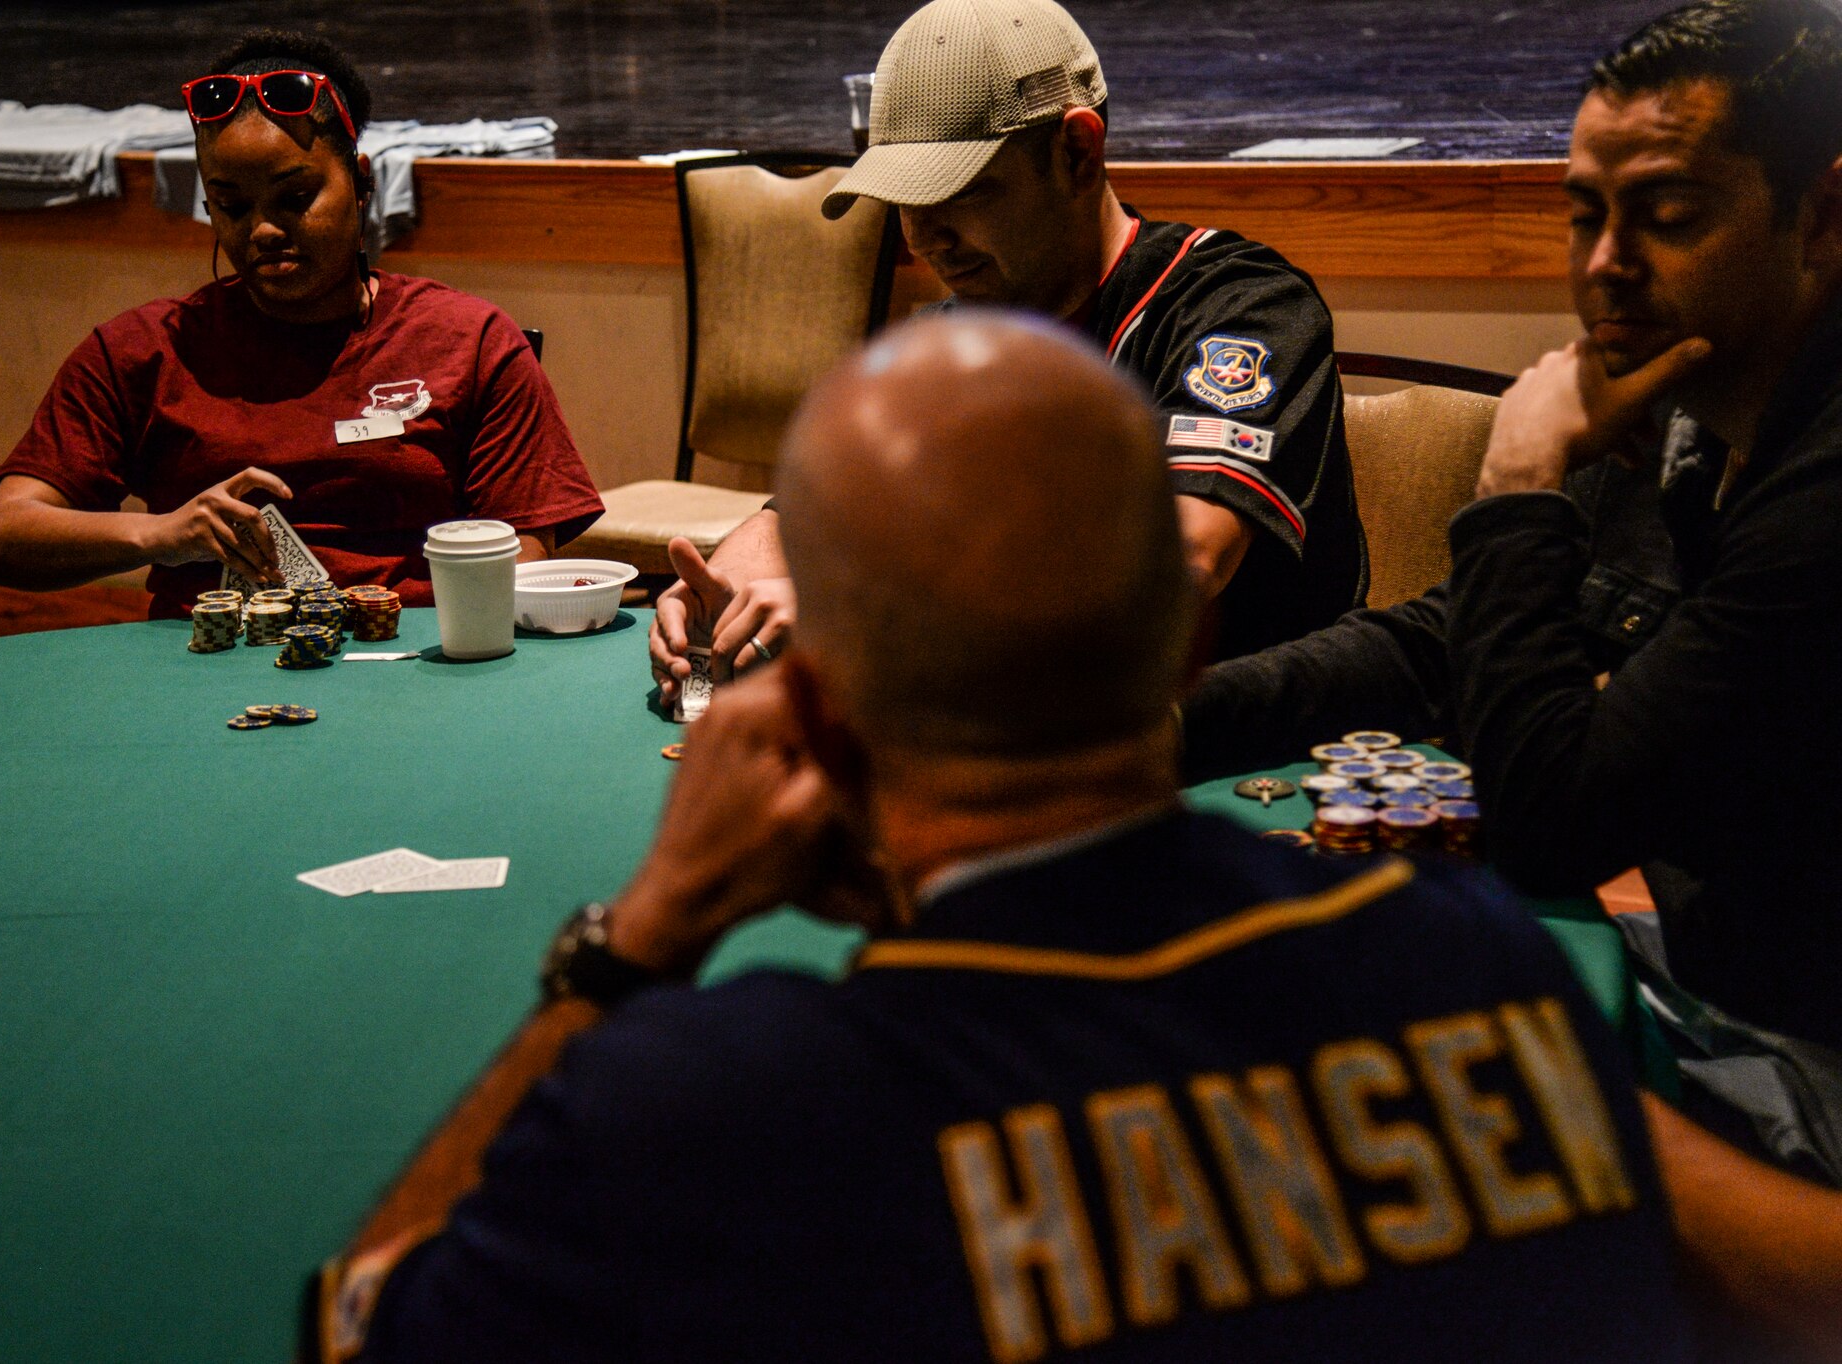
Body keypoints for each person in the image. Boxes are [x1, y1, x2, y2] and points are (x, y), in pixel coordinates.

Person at [315, 315, 1688, 1364]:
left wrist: (638, 942)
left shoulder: (710, 1106)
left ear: (809, 693)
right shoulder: (1472, 962)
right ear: (1194, 640)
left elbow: (358, 1318)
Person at [1181, 0, 1842, 1066]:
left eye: (1667, 213)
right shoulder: (1679, 402)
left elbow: (1549, 819)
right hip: (1710, 969)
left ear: (1821, 216)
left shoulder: (1818, 497)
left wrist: (1518, 478)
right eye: (1586, 215)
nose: (1604, 266)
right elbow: (1437, 644)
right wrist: (1155, 722)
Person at [647, 0, 1369, 708]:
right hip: (1015, 752)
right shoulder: (945, 347)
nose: (922, 238)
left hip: (1239, 754)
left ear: (1077, 152)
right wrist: (722, 600)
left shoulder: (1242, 308)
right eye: (903, 200)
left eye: (958, 191)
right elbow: (799, 520)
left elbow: (1181, 560)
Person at [0, 30, 603, 618]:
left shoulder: (467, 341)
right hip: (204, 673)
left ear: (361, 183)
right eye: (232, 206)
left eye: (296, 197)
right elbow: (4, 539)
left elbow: (527, 547)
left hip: (410, 663)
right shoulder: (143, 349)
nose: (265, 231)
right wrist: (160, 533)